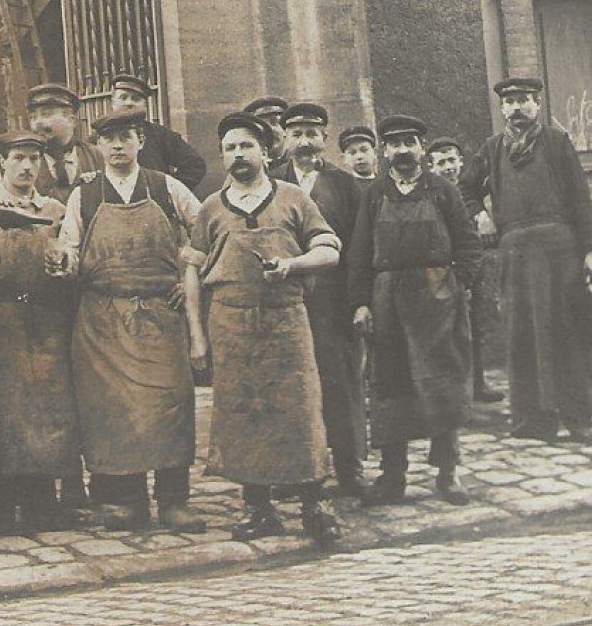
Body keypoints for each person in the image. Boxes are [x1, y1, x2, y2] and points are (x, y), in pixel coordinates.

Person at [185, 112, 344, 545]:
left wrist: (292, 265)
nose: (238, 155)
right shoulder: (211, 209)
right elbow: (192, 274)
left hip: (286, 321)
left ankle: (315, 504)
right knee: (243, 414)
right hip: (230, 324)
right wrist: (197, 338)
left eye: (246, 146)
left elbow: (329, 250)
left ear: (264, 151)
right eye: (230, 149)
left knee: (299, 408)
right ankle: (258, 508)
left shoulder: (292, 198)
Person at [54, 107, 204, 533]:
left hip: (161, 314)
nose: (118, 146)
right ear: (98, 146)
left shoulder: (166, 187)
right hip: (102, 320)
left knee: (170, 403)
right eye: (109, 139)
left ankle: (174, 500)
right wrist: (61, 263)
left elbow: (206, 233)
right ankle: (127, 500)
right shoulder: (83, 196)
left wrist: (188, 277)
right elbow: (70, 248)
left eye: (126, 137)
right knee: (115, 411)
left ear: (141, 141)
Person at [459, 76, 592, 442]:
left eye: (524, 100)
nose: (516, 108)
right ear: (503, 108)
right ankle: (532, 421)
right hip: (516, 254)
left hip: (561, 252)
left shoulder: (557, 143)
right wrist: (478, 211)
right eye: (509, 102)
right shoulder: (492, 149)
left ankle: (578, 416)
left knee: (569, 333)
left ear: (537, 104)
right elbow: (465, 186)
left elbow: (580, 198)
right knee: (523, 335)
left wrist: (591, 251)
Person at [350, 116, 483, 505]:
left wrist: (460, 284)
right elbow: (358, 254)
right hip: (387, 300)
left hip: (437, 299)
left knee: (443, 382)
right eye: (394, 144)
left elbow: (469, 243)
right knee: (391, 387)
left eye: (410, 142)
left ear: (421, 148)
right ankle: (393, 477)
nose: (403, 151)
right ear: (384, 151)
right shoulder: (375, 195)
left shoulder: (442, 191)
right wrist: (360, 303)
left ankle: (447, 473)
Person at [0, 130, 82, 534]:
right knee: (2, 414)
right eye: (19, 157)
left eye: (34, 159)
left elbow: (71, 252)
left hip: (44, 319)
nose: (27, 166)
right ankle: (3, 504)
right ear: (2, 161)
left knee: (46, 411)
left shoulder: (54, 208)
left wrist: (65, 264)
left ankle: (43, 502)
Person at [270, 101, 371, 499]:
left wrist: (360, 301)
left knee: (341, 384)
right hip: (285, 301)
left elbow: (360, 248)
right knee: (289, 384)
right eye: (297, 135)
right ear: (285, 139)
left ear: (324, 140)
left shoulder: (344, 185)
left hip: (334, 301)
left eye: (312, 135)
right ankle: (294, 471)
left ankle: (349, 468)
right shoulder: (272, 181)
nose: (305, 142)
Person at [427, 136, 504, 406]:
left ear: (461, 162)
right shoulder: (431, 194)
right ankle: (453, 390)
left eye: (452, 160)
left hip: (475, 266)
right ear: (432, 167)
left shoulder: (469, 194)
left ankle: (478, 383)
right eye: (441, 162)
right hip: (445, 269)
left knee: (476, 326)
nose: (448, 167)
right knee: (448, 330)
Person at [108, 73, 207, 191]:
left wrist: (168, 189)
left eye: (136, 99)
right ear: (113, 103)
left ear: (145, 105)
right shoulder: (98, 138)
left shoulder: (161, 135)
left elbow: (195, 165)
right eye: (123, 97)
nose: (129, 103)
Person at [28, 82, 105, 200]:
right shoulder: (26, 160)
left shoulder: (95, 156)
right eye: (33, 117)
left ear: (71, 121)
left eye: (46, 114)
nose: (37, 122)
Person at [243, 96, 290, 172]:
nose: (270, 130)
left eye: (274, 122)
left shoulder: (298, 166)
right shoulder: (246, 169)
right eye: (262, 125)